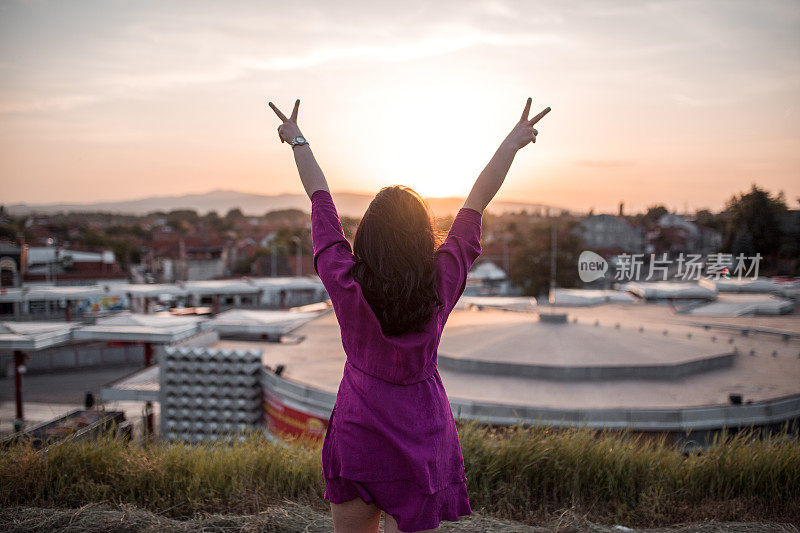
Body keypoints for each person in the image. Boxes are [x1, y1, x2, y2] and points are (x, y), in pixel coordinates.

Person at [268, 97, 550, 533]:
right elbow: (476, 203)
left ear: (367, 235)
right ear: (422, 235)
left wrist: (298, 139)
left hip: (360, 437)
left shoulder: (344, 279)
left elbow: (320, 199)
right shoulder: (443, 275)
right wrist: (511, 145)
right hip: (424, 437)